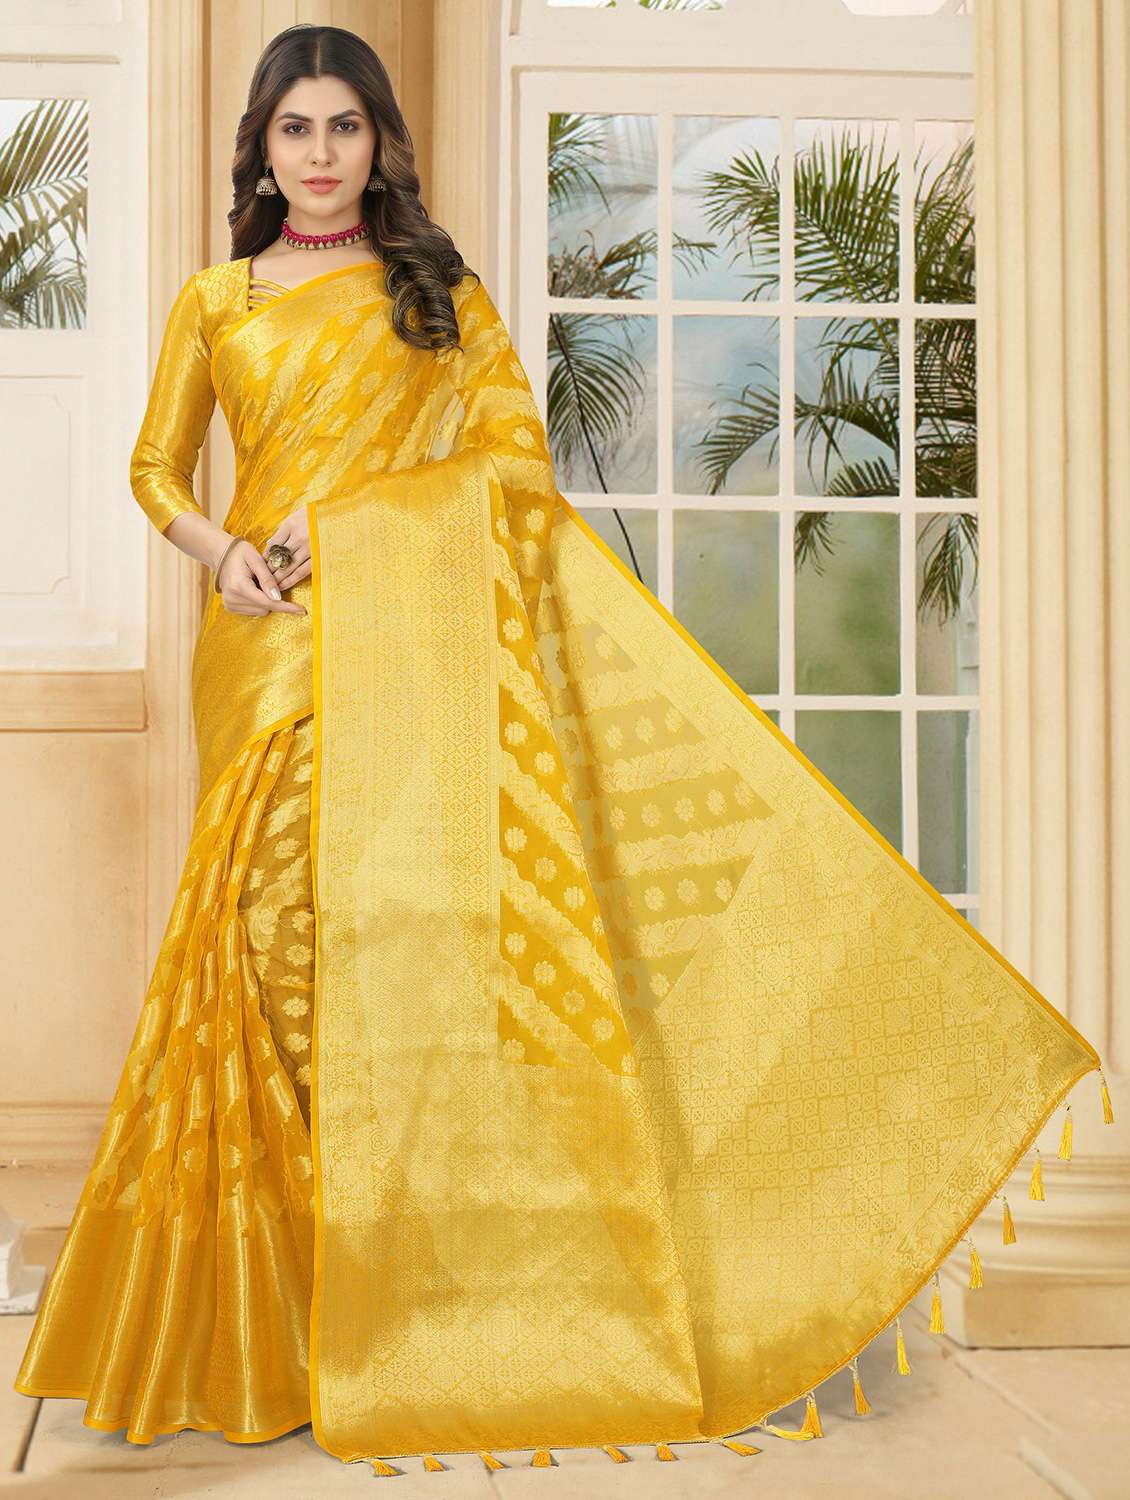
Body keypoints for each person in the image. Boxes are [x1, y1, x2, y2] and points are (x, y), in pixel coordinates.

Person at [13, 21, 1114, 1479]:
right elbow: (155, 466)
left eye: (345, 126)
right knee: (264, 954)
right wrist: (222, 553)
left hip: (408, 649)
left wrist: (346, 520)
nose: (322, 153)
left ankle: (399, 1313)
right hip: (264, 650)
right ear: (262, 150)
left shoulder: (435, 291)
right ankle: (271, 1324)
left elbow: (512, 460)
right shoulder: (218, 300)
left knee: (395, 961)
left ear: (377, 144)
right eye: (296, 129)